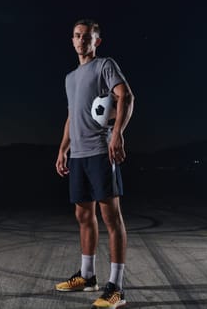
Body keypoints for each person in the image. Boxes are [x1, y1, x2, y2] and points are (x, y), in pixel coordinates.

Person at [55, 19, 135, 309]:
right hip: (77, 156)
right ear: (72, 39)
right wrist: (63, 149)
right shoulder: (70, 78)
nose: (81, 41)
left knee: (111, 218)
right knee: (83, 217)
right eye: (76, 36)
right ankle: (87, 277)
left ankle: (117, 287)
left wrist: (118, 135)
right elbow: (71, 115)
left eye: (87, 36)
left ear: (96, 41)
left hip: (101, 152)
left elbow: (126, 96)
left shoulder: (105, 66)